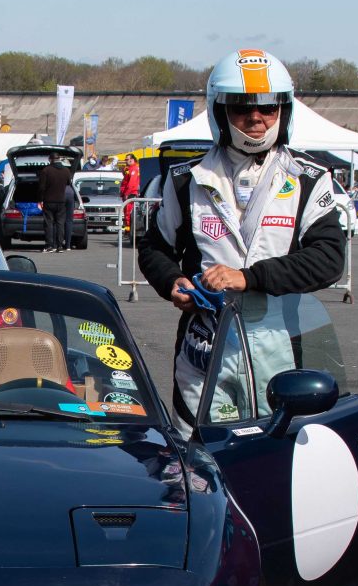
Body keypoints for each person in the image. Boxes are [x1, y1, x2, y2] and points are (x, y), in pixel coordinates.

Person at [137, 48, 345, 438]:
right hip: (205, 343)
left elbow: (329, 258)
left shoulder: (309, 178)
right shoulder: (184, 179)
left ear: (284, 110)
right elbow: (154, 248)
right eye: (241, 108)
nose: (256, 118)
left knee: (277, 454)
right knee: (198, 456)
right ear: (219, 112)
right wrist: (172, 282)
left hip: (280, 342)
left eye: (268, 108)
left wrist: (249, 278)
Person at [37, 153, 72, 252]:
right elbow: (69, 183)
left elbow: (41, 187)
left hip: (48, 200)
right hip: (61, 201)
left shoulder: (46, 170)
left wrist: (40, 199)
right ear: (59, 159)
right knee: (60, 223)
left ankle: (50, 245)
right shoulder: (66, 170)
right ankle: (60, 245)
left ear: (50, 159)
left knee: (49, 223)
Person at [119, 153, 140, 233]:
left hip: (130, 193)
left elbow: (132, 183)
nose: (125, 161)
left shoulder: (134, 169)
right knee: (127, 213)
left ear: (132, 160)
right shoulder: (129, 169)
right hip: (128, 193)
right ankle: (128, 231)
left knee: (128, 213)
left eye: (127, 159)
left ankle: (129, 232)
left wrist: (127, 194)